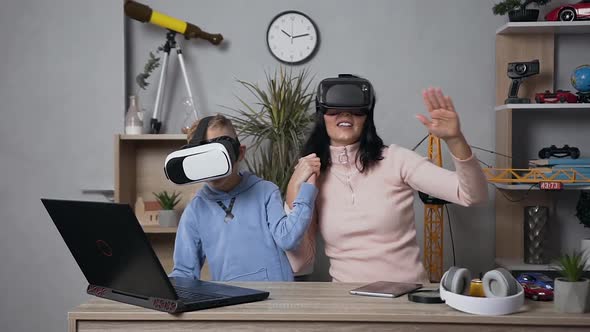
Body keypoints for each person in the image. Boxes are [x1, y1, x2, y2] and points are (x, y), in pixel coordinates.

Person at [285, 75, 488, 283]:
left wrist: (455, 140)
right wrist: (294, 187)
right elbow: (299, 264)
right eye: (334, 109)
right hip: (347, 302)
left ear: (367, 116)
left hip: (406, 299)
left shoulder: (396, 160)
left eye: (356, 110)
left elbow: (473, 195)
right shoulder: (314, 176)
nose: (345, 114)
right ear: (322, 115)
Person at [170, 114, 319, 281]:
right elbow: (184, 271)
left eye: (219, 154)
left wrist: (307, 189)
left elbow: (287, 238)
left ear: (239, 153)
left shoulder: (265, 191)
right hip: (232, 300)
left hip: (278, 296)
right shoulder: (196, 210)